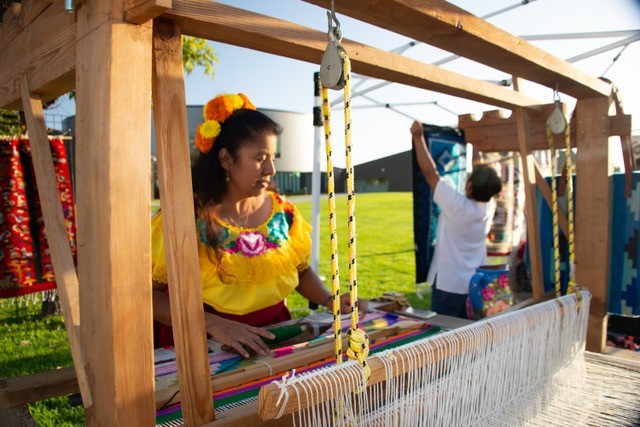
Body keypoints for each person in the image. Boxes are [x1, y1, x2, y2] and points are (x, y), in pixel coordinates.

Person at [152, 93, 367, 358]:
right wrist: (210, 323)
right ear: (226, 159)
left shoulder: (283, 212)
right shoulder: (185, 216)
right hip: (204, 340)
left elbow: (299, 271)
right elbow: (151, 295)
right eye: (260, 158)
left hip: (274, 335)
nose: (271, 169)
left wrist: (328, 299)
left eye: (273, 157)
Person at [410, 120, 502, 318]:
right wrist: (473, 143)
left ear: (469, 187)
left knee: (445, 337)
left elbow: (430, 173)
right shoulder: (489, 206)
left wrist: (418, 138)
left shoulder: (458, 206)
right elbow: (481, 172)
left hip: (449, 287)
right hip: (475, 284)